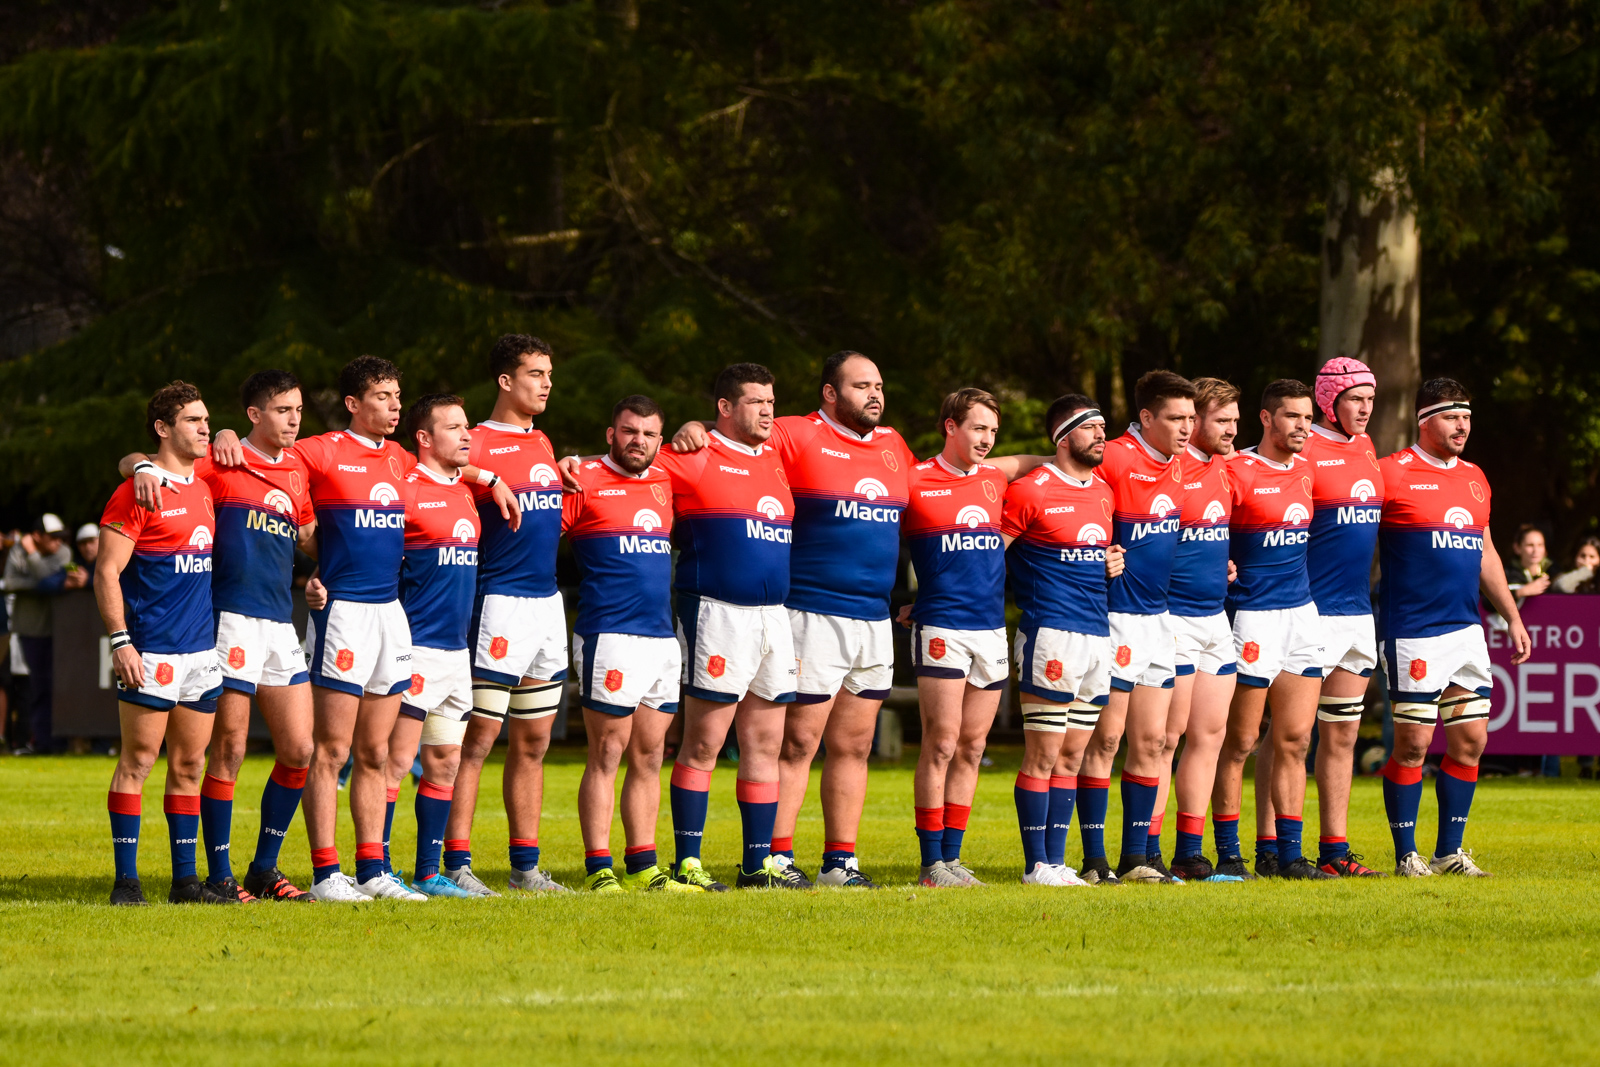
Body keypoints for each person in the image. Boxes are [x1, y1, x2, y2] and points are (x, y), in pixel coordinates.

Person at [205, 356, 518, 901]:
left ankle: (372, 871)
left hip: (391, 617)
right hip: (342, 615)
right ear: (353, 403)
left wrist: (488, 476)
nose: (395, 405)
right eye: (383, 396)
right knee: (330, 751)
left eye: (398, 396)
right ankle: (326, 873)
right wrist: (226, 432)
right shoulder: (319, 451)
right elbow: (263, 453)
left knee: (378, 755)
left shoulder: (400, 459)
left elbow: (451, 463)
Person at [118, 370, 320, 903]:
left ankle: (263, 869)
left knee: (300, 749)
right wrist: (138, 463)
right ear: (254, 415)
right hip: (228, 620)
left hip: (280, 620)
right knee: (226, 751)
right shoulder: (221, 458)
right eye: (282, 409)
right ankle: (218, 876)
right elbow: (155, 467)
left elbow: (307, 537)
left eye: (298, 409)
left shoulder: (297, 469)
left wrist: (327, 570)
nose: (294, 418)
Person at [653, 364, 801, 891]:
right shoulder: (692, 457)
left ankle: (756, 865)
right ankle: (687, 864)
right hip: (715, 613)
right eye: (756, 401)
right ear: (725, 407)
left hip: (774, 618)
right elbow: (631, 468)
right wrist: (684, 429)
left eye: (771, 400)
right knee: (704, 743)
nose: (768, 410)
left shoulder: (778, 458)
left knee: (765, 745)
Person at [1377, 378, 1532, 876]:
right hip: (1412, 628)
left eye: (1466, 416)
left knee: (1470, 741)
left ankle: (1449, 853)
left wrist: (1510, 614)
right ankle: (1406, 856)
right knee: (1414, 745)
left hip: (1466, 628)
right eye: (1450, 416)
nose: (1462, 425)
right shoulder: (1390, 474)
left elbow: (1485, 552)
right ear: (1425, 420)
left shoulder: (1476, 478)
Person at [445, 334, 569, 895]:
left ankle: (525, 867)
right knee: (477, 741)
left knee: (534, 743)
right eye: (535, 373)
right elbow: (427, 471)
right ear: (505, 380)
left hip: (547, 604)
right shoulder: (473, 439)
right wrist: (481, 475)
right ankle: (456, 864)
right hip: (498, 601)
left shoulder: (542, 441)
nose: (546, 383)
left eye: (548, 374)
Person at [96, 382, 227, 905]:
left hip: (201, 651)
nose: (204, 429)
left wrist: (142, 461)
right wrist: (120, 641)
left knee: (190, 766)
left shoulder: (206, 482)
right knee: (139, 760)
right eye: (193, 421)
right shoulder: (136, 490)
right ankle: (126, 881)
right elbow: (107, 571)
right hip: (151, 649)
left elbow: (238, 441)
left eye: (207, 420)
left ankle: (184, 882)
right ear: (162, 429)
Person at [567, 396, 700, 893]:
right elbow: (536, 535)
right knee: (606, 751)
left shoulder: (667, 480)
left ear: (660, 441)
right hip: (608, 634)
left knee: (650, 755)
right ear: (610, 433)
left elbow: (716, 437)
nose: (636, 440)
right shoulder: (581, 479)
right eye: (628, 431)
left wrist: (696, 423)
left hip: (661, 638)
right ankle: (599, 867)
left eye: (647, 434)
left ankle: (644, 866)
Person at [1071, 371, 1195, 885]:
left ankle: (1137, 858)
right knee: (1105, 740)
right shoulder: (1116, 456)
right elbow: (1067, 492)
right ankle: (1095, 861)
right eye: (1175, 418)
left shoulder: (1181, 465)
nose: (1187, 428)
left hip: (1157, 621)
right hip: (1113, 619)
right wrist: (1094, 557)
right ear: (1146, 418)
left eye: (1191, 418)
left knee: (1154, 741)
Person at [1000, 395, 1125, 886]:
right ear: (1063, 436)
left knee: (1072, 755)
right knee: (1043, 754)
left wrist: (1112, 564)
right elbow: (992, 559)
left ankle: (1056, 863)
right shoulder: (1030, 491)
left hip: (1097, 633)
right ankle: (1036, 866)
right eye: (1090, 427)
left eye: (1102, 426)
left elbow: (1093, 556)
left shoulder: (1103, 492)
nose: (1100, 435)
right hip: (1050, 632)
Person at [1212, 379, 1333, 880]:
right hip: (1251, 617)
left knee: (1295, 740)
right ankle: (1228, 853)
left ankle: (1286, 853)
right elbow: (1197, 527)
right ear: (1266, 419)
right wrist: (1220, 566)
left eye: (1308, 417)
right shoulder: (1234, 470)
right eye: (1292, 417)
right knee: (1239, 742)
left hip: (1301, 614)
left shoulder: (1306, 471)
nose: (1303, 427)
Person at [897, 389, 1011, 888]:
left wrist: (1061, 448)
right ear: (950, 426)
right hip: (942, 627)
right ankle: (931, 864)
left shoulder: (996, 480)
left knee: (972, 745)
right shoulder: (914, 480)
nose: (985, 439)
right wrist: (896, 599)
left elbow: (1036, 461)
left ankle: (953, 859)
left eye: (992, 430)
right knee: (940, 743)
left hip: (992, 629)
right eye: (977, 428)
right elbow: (872, 541)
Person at [373, 395, 485, 899]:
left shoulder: (463, 488)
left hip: (455, 652)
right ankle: (378, 869)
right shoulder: (404, 488)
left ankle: (427, 872)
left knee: (443, 762)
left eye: (467, 427)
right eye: (455, 427)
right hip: (413, 647)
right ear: (424, 437)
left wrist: (491, 478)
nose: (466, 435)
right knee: (395, 763)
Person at [1285, 356, 1386, 877]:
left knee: (1342, 734)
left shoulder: (1366, 447)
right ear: (1329, 401)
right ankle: (1278, 849)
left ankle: (1334, 853)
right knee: (1289, 739)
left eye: (1370, 399)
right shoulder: (1305, 451)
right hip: (1308, 613)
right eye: (1354, 399)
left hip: (1355, 614)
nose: (1365, 408)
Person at [1159, 377, 1243, 882]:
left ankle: (1190, 854)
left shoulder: (1226, 470)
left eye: (1236, 420)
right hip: (1170, 618)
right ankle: (1144, 851)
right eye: (1221, 420)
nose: (1232, 430)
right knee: (1165, 739)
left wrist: (1224, 565)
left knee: (1210, 735)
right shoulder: (1168, 468)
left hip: (1216, 617)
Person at [5, 512, 87, 755]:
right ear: (37, 537)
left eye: (61, 536)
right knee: (37, 686)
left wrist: (37, 569)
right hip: (31, 629)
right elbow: (11, 583)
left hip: (60, 630)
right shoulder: (19, 551)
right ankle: (41, 742)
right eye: (53, 537)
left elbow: (48, 579)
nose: (59, 542)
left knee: (59, 685)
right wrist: (47, 583)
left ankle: (59, 741)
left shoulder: (62, 552)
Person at [1504, 525, 1551, 605]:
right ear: (1517, 548)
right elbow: (1487, 602)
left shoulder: (1552, 572)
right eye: (1530, 545)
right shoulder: (1506, 574)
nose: (1535, 550)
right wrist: (1521, 592)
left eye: (1540, 545)